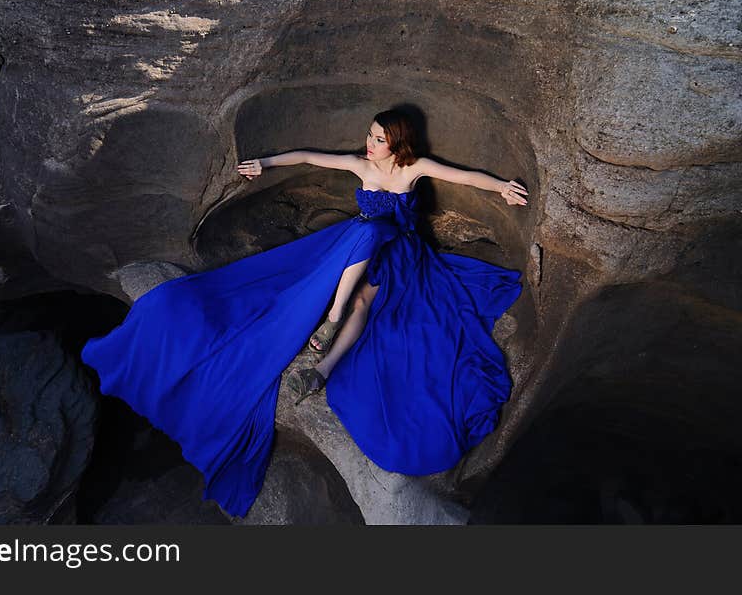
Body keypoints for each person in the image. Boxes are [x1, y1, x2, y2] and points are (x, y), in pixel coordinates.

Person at [81, 109, 527, 518]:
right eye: (369, 135)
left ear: (397, 143)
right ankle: (330, 320)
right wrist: (267, 164)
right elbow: (312, 157)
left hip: (402, 255)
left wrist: (503, 188)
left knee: (363, 296)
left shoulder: (415, 168)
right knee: (359, 248)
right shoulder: (361, 165)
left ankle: (325, 365)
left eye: (377, 138)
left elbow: (467, 177)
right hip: (356, 248)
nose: (368, 142)